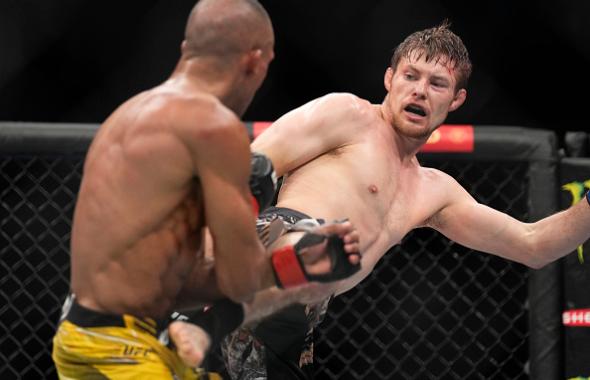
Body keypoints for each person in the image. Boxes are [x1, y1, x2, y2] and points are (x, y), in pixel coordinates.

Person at [196, 20, 590, 379]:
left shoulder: (434, 190)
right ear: (389, 78)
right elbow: (248, 169)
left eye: (437, 84)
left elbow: (533, 245)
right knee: (314, 242)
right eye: (410, 76)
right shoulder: (348, 115)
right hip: (265, 252)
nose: (420, 89)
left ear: (456, 99)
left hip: (296, 316)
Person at [50, 0, 361, 379]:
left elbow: (180, 283)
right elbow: (239, 281)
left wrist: (295, 263)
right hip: (128, 349)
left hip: (80, 336)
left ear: (186, 49)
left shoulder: (125, 115)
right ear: (255, 61)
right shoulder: (213, 127)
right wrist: (260, 213)